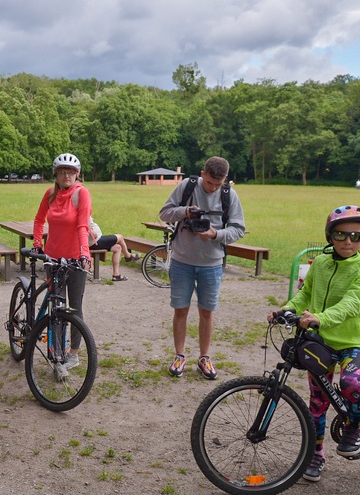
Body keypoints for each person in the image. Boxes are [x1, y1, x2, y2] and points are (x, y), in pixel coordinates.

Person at [268, 205, 360, 481]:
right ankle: (316, 454)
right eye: (341, 235)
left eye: (357, 236)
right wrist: (285, 310)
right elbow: (304, 295)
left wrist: (321, 318)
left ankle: (355, 425)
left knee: (351, 384)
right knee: (317, 404)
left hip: (352, 341)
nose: (348, 242)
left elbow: (353, 303)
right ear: (330, 236)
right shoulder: (321, 263)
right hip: (321, 343)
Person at [158, 156, 245, 380]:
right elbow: (164, 213)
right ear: (202, 173)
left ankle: (204, 357)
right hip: (182, 261)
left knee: (206, 312)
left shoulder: (229, 196)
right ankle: (179, 355)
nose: (213, 188)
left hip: (212, 264)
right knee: (181, 309)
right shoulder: (186, 186)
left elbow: (238, 229)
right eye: (210, 183)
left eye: (219, 184)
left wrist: (216, 234)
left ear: (225, 179)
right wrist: (185, 212)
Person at [32, 153, 92, 379]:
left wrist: (84, 253)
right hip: (53, 259)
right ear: (55, 174)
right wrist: (38, 243)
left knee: (75, 308)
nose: (66, 175)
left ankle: (73, 353)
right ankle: (57, 356)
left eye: (71, 172)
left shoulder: (81, 194)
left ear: (77, 174)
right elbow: (39, 220)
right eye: (62, 172)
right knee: (55, 309)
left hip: (76, 259)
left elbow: (82, 225)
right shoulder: (49, 194)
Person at [88, 217, 140, 282]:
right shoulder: (83, 212)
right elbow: (89, 231)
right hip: (95, 242)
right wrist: (94, 233)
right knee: (120, 237)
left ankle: (116, 275)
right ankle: (128, 256)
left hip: (94, 242)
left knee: (118, 248)